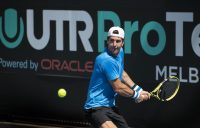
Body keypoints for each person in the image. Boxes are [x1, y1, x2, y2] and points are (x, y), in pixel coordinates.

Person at [83, 26, 150, 128]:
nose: (114, 45)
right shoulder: (106, 60)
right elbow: (118, 87)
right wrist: (136, 96)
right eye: (112, 41)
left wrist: (138, 89)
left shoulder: (120, 52)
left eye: (118, 41)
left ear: (122, 43)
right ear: (107, 42)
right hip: (95, 108)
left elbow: (121, 73)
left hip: (110, 107)